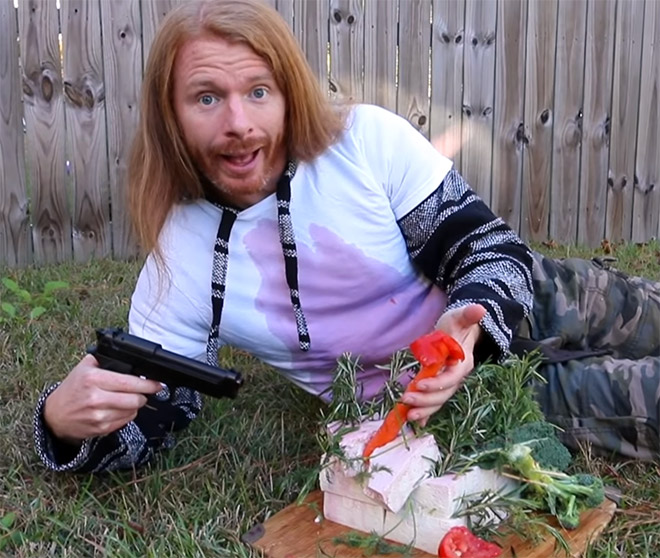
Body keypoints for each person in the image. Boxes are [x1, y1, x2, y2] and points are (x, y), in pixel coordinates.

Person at [33, 0, 660, 473]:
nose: (238, 123)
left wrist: (468, 329)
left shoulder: (364, 141)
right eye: (206, 98)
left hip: (532, 298)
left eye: (258, 91)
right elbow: (153, 416)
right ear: (169, 115)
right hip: (447, 404)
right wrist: (63, 423)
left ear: (287, 94)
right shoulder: (181, 259)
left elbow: (487, 248)